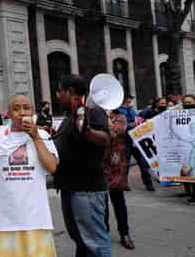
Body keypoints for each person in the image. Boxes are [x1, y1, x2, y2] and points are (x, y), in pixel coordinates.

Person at [0, 95, 59, 257]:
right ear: (9, 114)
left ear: (32, 111)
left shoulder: (43, 135)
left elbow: (52, 167)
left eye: (26, 108)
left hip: (36, 220)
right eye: (16, 108)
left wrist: (35, 137)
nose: (21, 112)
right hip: (5, 220)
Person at [52, 75, 112, 257]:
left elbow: (105, 138)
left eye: (59, 91)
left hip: (86, 190)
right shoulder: (72, 113)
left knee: (95, 244)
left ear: (70, 92)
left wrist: (86, 131)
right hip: (71, 187)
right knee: (81, 240)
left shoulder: (92, 110)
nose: (57, 96)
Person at [105, 110, 135, 250]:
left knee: (119, 203)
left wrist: (108, 121)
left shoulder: (120, 117)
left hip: (115, 167)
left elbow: (120, 130)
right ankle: (103, 233)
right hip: (101, 166)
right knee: (102, 204)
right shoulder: (96, 114)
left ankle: (125, 234)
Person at [119, 96, 155, 191]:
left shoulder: (131, 110)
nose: (131, 102)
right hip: (126, 141)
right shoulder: (120, 111)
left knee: (142, 163)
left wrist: (140, 122)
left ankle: (148, 183)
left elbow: (137, 120)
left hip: (136, 141)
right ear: (126, 100)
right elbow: (120, 126)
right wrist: (130, 125)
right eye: (130, 100)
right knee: (125, 164)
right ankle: (123, 183)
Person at [175, 95, 195, 204]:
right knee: (186, 171)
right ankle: (188, 191)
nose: (188, 104)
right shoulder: (177, 116)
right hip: (184, 148)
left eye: (190, 102)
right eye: (186, 102)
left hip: (192, 149)